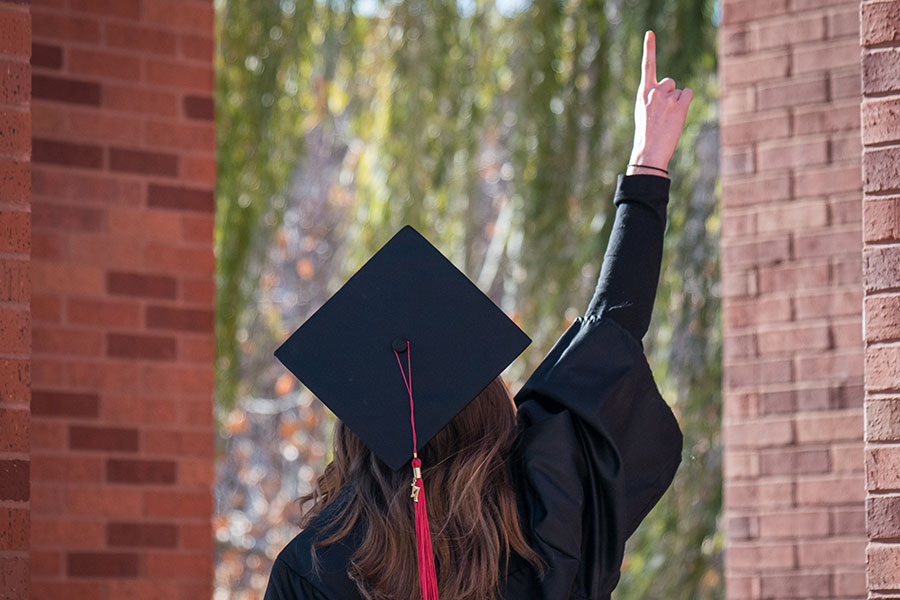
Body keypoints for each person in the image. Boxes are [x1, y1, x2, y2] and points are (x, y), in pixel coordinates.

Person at [264, 28, 692, 600]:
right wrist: (647, 167)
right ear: (485, 397)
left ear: (358, 427)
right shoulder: (545, 505)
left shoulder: (312, 568)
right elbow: (614, 328)